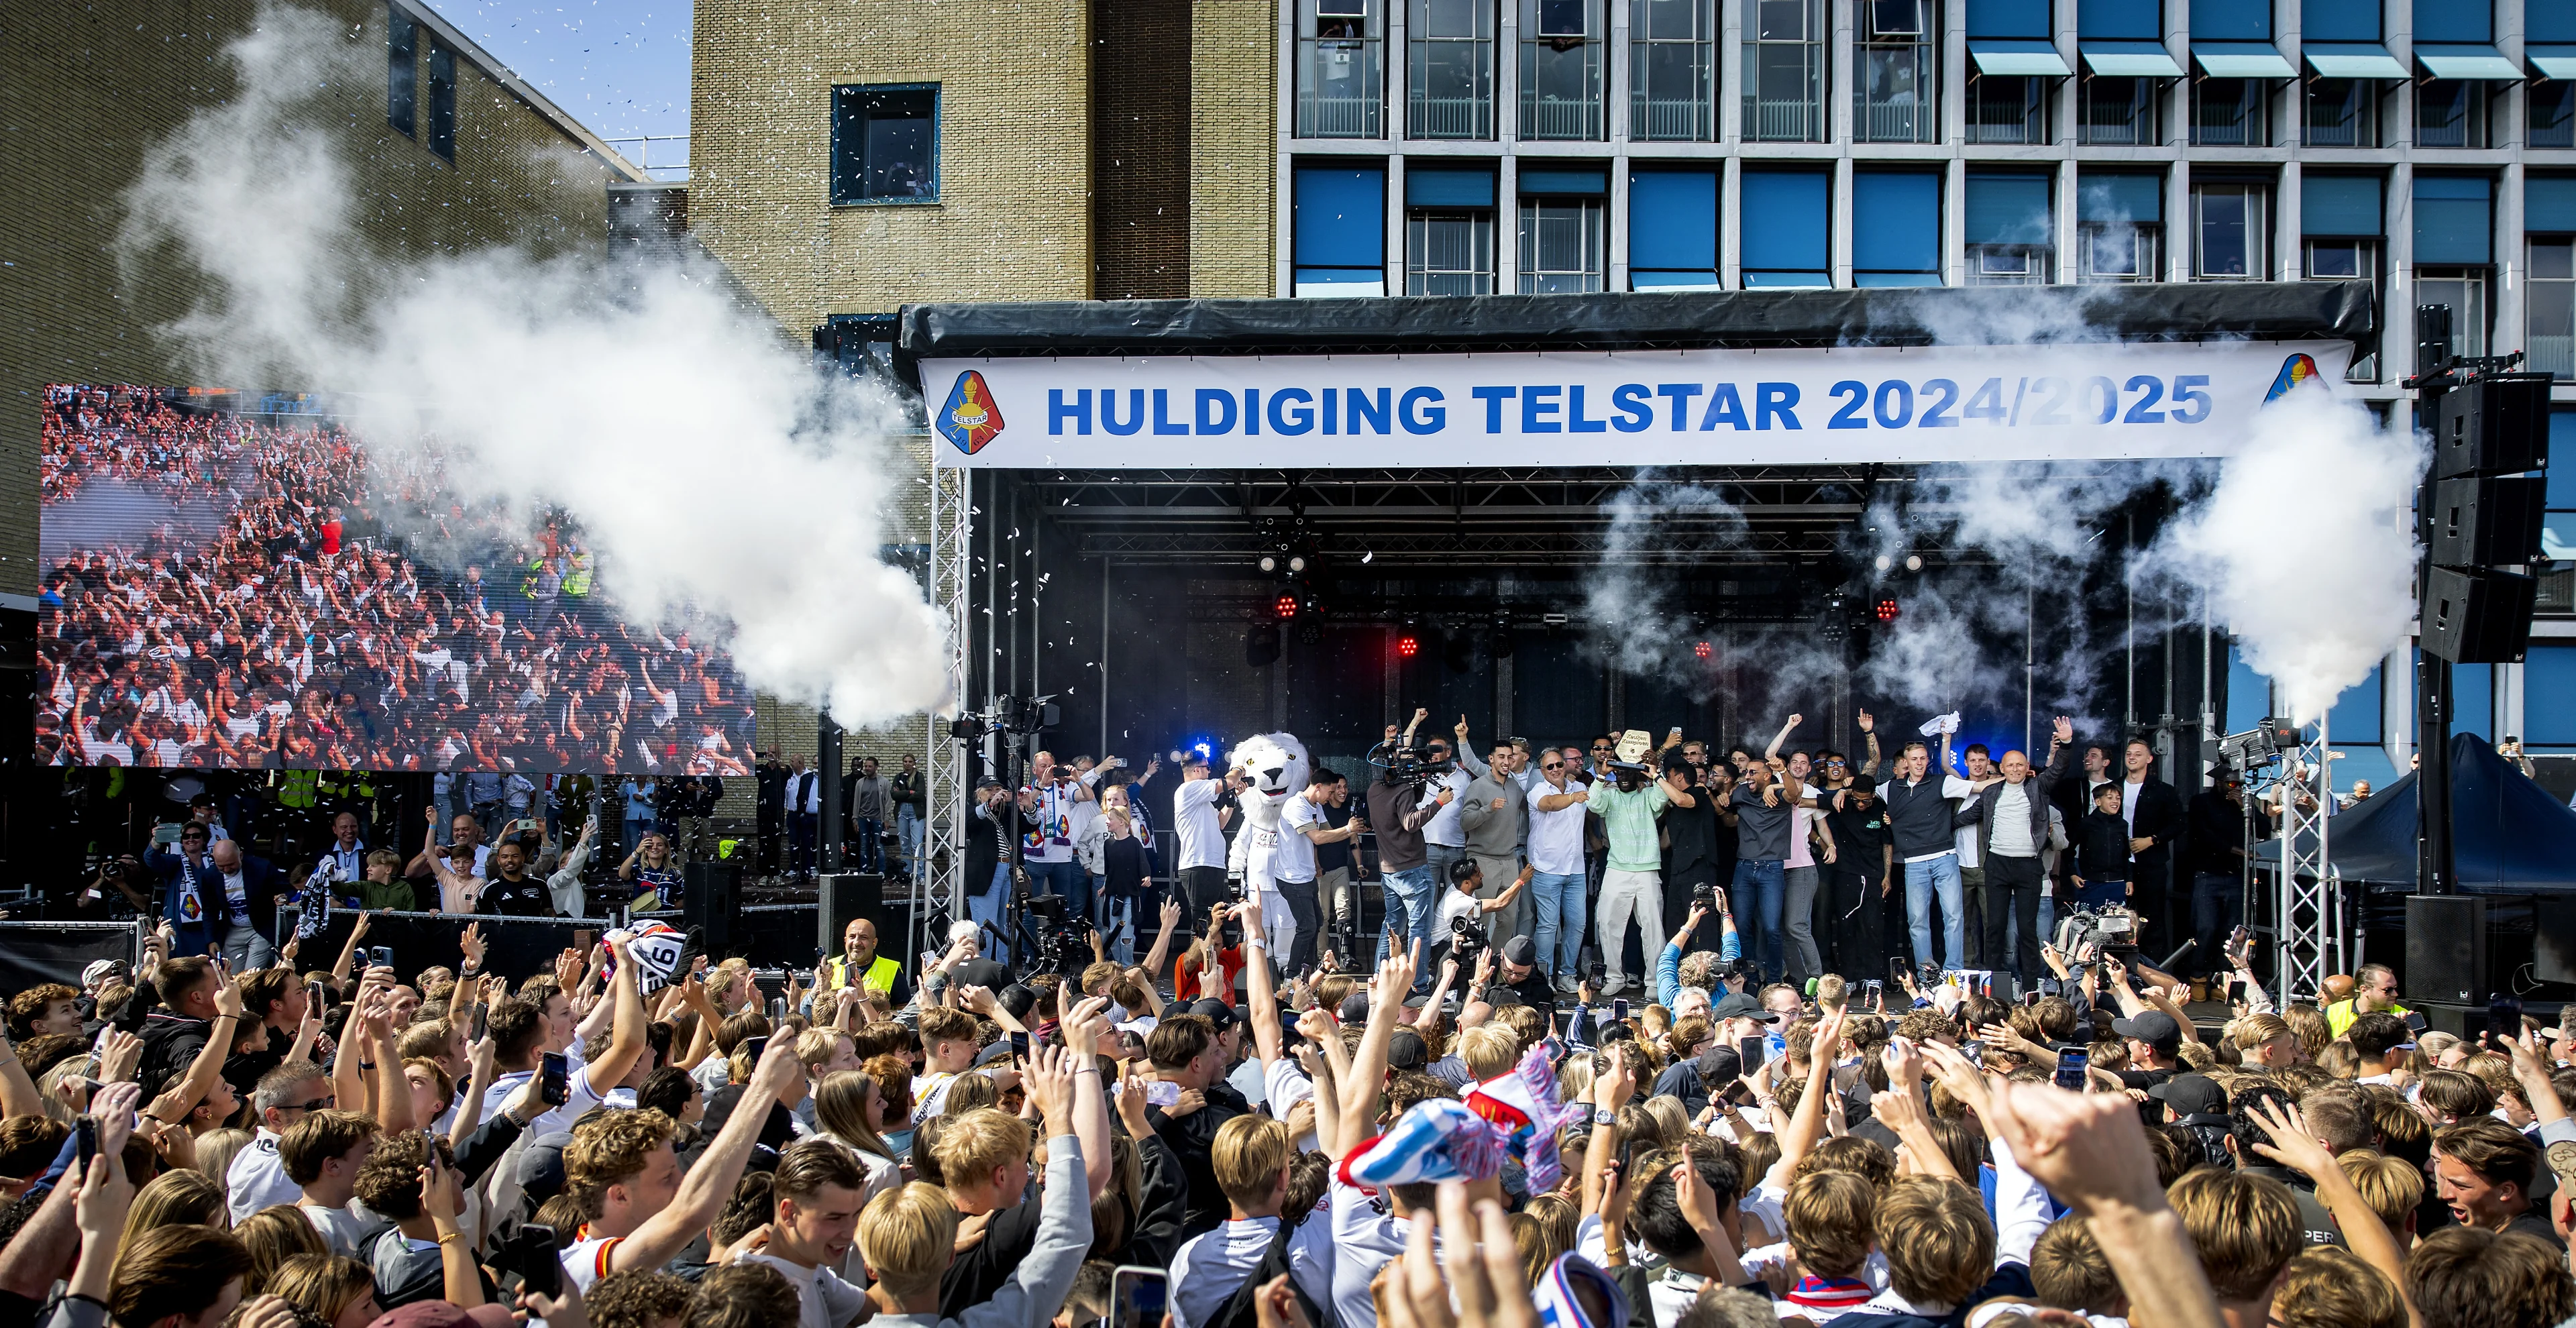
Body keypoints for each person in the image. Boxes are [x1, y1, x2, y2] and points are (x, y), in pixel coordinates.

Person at [1974, 726, 2071, 997]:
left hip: (2029, 865)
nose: (2015, 769)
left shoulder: (2038, 786)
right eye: (2010, 765)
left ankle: (2031, 985)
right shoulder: (1992, 792)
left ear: (2027, 767)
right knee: (1995, 927)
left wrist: (2066, 742)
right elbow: (1967, 817)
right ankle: (1995, 984)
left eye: (2020, 764)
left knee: (2028, 931)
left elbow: (2059, 769)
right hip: (1998, 864)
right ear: (2001, 768)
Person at [819, 916, 908, 1006]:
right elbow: (812, 1007)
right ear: (845, 941)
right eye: (852, 937)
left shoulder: (891, 970)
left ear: (874, 943)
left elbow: (903, 1010)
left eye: (863, 937)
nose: (857, 942)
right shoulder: (828, 967)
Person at [847, 757, 891, 876]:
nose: (867, 768)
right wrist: (855, 819)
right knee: (864, 845)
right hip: (863, 819)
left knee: (879, 846)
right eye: (866, 766)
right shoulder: (860, 783)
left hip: (878, 819)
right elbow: (856, 802)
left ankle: (881, 871)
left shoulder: (884, 782)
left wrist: (886, 819)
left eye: (870, 766)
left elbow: (888, 802)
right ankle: (863, 870)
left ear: (876, 767)